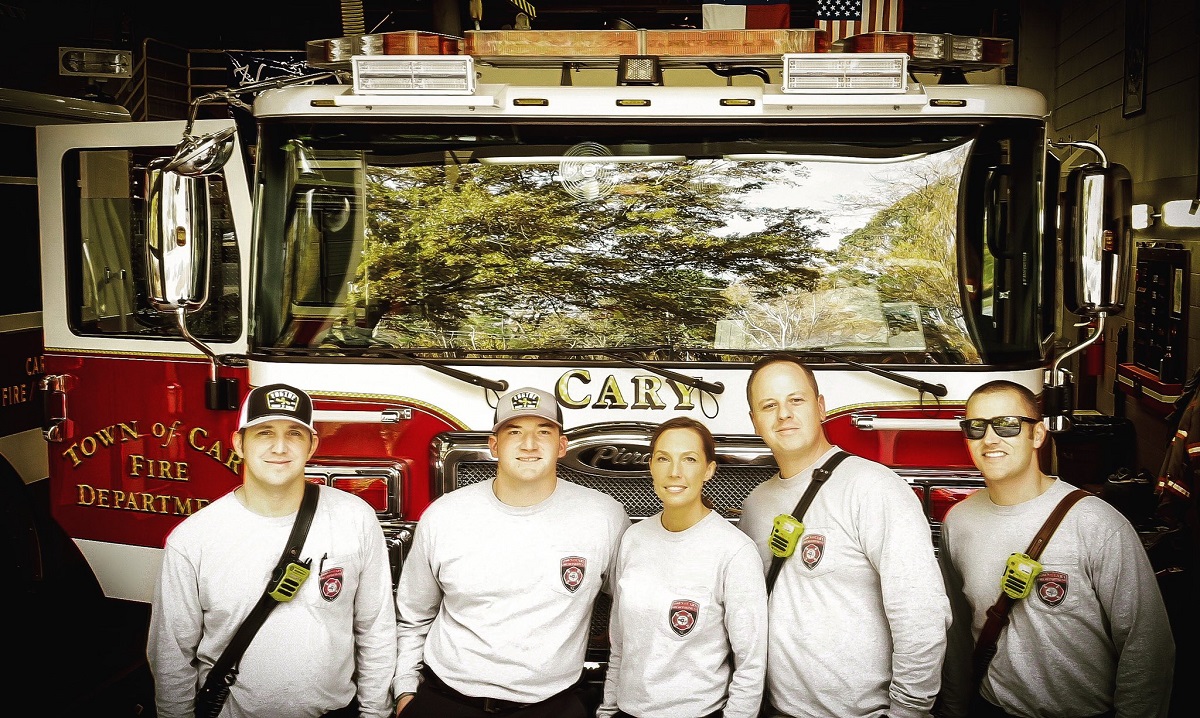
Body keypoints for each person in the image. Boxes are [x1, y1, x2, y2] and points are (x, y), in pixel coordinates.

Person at [147, 383, 397, 718]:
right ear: (239, 443)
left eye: (294, 433)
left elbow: (375, 628)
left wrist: (375, 713)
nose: (280, 447)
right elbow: (171, 656)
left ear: (312, 446)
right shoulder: (193, 539)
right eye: (265, 432)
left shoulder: (356, 518)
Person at [937, 379, 1175, 718]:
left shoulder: (1098, 524)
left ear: (1037, 435)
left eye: (1007, 425)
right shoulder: (958, 523)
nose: (990, 438)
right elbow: (958, 632)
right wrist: (955, 708)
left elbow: (1147, 646)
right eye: (975, 427)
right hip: (992, 707)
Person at [392, 386, 630, 717]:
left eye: (543, 432)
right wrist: (405, 691)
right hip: (446, 698)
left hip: (553, 704)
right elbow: (414, 613)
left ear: (562, 446)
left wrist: (611, 703)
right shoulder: (445, 515)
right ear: (494, 445)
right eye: (514, 431)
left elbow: (631, 613)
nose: (529, 445)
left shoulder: (604, 517)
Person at [739, 354, 950, 718]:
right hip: (777, 710)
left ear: (821, 408)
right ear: (755, 421)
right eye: (768, 405)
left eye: (796, 400)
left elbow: (921, 612)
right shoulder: (756, 505)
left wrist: (908, 712)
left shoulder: (873, 487)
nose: (784, 414)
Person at [598, 417, 768, 718]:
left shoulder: (735, 551)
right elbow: (621, 645)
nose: (674, 472)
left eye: (689, 459)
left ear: (708, 470)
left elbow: (751, 663)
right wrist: (608, 709)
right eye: (663, 459)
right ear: (651, 467)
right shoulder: (633, 540)